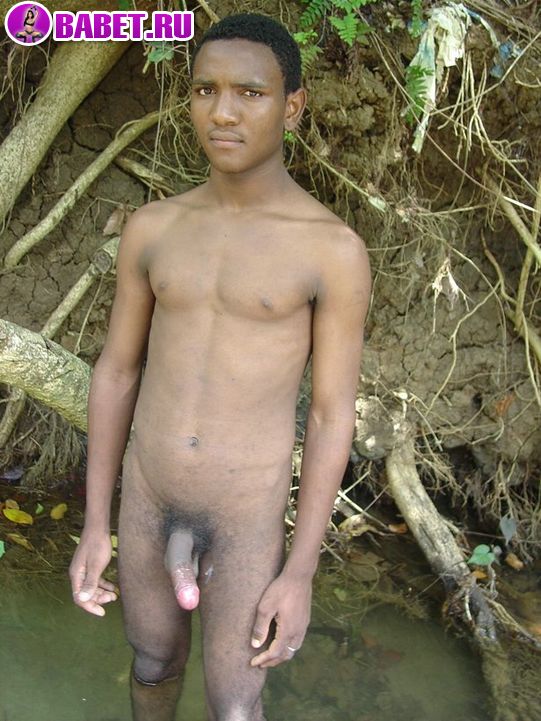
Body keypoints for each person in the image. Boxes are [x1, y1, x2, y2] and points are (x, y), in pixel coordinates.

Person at [69, 12, 370, 721]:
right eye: (205, 90)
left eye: (250, 93)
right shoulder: (154, 228)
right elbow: (116, 373)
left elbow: (331, 415)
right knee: (151, 663)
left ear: (292, 107)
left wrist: (300, 570)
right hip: (149, 496)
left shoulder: (331, 250)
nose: (223, 112)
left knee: (234, 704)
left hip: (245, 517)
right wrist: (94, 522)